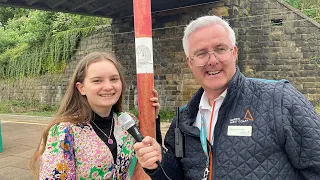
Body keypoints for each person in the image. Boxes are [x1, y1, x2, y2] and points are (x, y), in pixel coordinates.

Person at [133, 15, 320, 179]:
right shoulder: (182, 121)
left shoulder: (279, 100)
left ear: (234, 52)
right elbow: (177, 176)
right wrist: (159, 161)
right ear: (190, 62)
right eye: (201, 53)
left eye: (220, 49)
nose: (212, 60)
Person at [30, 52, 162, 179]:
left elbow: (150, 161)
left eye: (114, 79)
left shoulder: (128, 122)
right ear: (81, 88)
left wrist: (152, 119)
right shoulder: (64, 131)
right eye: (97, 81)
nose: (108, 86)